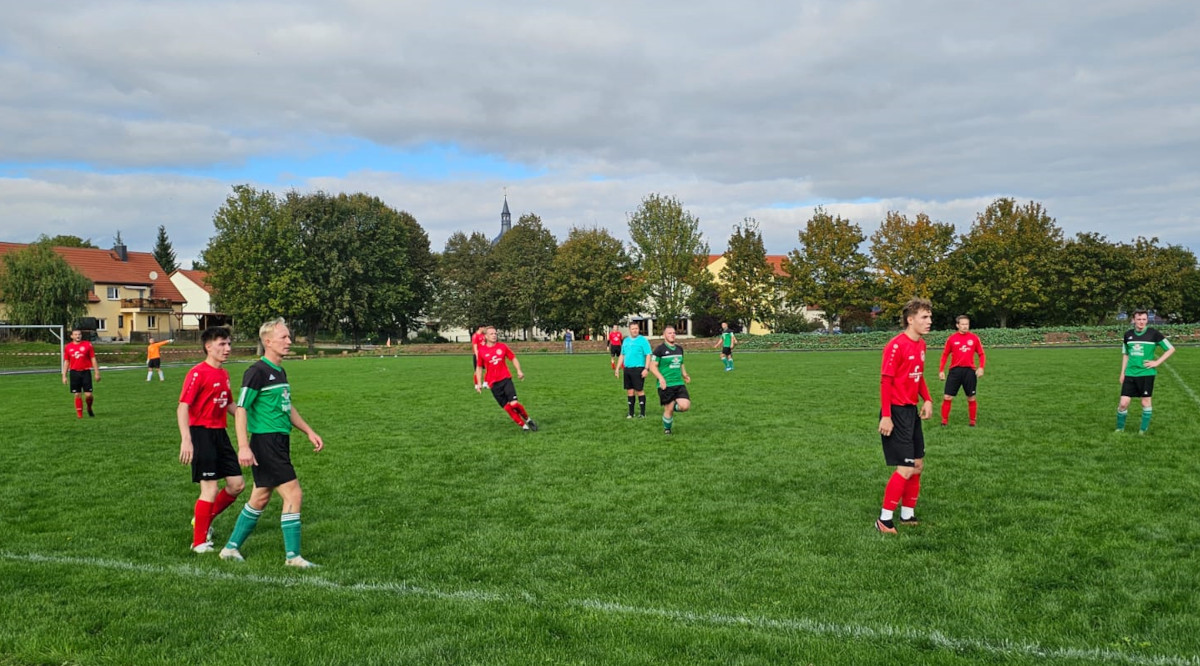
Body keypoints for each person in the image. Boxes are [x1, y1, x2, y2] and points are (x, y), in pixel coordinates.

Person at [220, 318, 325, 568]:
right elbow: (242, 408)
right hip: (265, 443)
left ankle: (230, 549)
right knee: (294, 494)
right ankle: (293, 558)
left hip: (279, 440)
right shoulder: (256, 372)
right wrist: (244, 446)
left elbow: (286, 407)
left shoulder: (279, 371)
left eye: (289, 337)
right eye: (284, 337)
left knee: (260, 497)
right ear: (268, 342)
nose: (289, 342)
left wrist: (308, 431)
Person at [177, 327, 244, 553]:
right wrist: (187, 439)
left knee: (236, 485)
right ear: (208, 346)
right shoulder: (197, 373)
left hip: (220, 434)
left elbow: (229, 405)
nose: (227, 349)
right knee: (210, 489)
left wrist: (250, 418)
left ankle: (202, 520)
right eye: (222, 344)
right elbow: (183, 407)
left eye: (229, 344)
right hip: (201, 433)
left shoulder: (223, 373)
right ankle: (198, 543)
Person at [875, 297, 934, 534]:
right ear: (911, 320)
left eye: (930, 317)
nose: (929, 321)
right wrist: (886, 416)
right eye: (924, 317)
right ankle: (884, 520)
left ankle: (907, 514)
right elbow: (885, 381)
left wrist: (928, 399)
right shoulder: (896, 345)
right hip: (896, 412)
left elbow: (917, 375)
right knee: (905, 467)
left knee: (917, 465)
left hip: (911, 411)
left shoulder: (921, 345)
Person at [1116, 310, 1175, 434]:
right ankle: (1120, 429)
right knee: (1123, 403)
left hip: (1146, 374)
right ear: (1133, 320)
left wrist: (1157, 362)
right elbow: (1126, 354)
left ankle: (1143, 430)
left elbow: (1170, 349)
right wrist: (1122, 373)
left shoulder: (1153, 334)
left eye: (1144, 319)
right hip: (1130, 373)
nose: (1141, 322)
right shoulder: (1128, 335)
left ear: (1147, 320)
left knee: (1145, 402)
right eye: (1139, 319)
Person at [475, 326, 538, 431]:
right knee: (507, 408)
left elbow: (513, 358)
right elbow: (479, 367)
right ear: (485, 336)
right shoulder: (481, 351)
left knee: (514, 404)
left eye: (495, 333)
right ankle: (523, 426)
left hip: (505, 379)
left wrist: (519, 370)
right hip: (493, 384)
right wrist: (479, 383)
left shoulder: (502, 347)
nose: (494, 335)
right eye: (491, 334)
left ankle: (528, 419)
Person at [937, 315, 986, 426]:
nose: (965, 326)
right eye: (962, 324)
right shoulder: (952, 338)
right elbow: (945, 355)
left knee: (971, 397)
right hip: (955, 371)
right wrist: (941, 370)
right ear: (957, 325)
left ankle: (972, 421)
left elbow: (981, 354)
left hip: (969, 371)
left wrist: (981, 367)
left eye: (967, 324)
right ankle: (944, 421)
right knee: (947, 396)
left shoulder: (974, 338)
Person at [648, 325, 691, 435]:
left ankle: (672, 405)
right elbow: (652, 366)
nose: (672, 335)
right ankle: (667, 429)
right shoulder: (659, 350)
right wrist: (661, 378)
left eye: (673, 333)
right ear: (664, 335)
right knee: (669, 409)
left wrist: (684, 374)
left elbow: (681, 363)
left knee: (685, 406)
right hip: (666, 384)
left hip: (679, 383)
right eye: (669, 333)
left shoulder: (679, 349)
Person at [616, 321, 653, 418]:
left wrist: (646, 368)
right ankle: (631, 413)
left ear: (638, 329)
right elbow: (622, 355)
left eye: (636, 328)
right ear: (630, 330)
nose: (635, 330)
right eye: (633, 329)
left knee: (639, 390)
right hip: (627, 369)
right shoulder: (626, 341)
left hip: (638, 369)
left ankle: (642, 413)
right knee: (630, 391)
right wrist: (617, 368)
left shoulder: (643, 340)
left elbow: (648, 355)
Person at [62, 326, 100, 418]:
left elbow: (93, 359)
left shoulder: (88, 345)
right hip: (74, 373)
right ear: (72, 336)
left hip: (86, 372)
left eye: (79, 334)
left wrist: (97, 373)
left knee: (88, 395)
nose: (78, 336)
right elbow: (66, 362)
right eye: (76, 334)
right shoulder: (68, 347)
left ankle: (89, 408)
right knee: (77, 394)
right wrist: (64, 375)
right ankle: (80, 415)